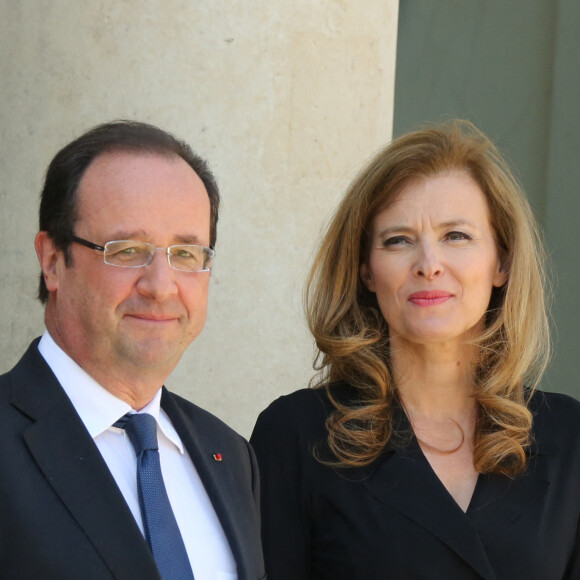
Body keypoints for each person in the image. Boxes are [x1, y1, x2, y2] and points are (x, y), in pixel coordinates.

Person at [251, 120, 580, 579]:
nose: (428, 265)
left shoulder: (571, 441)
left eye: (456, 236)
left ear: (501, 262)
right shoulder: (296, 436)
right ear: (367, 270)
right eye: (398, 240)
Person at [0, 121, 265, 580]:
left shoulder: (230, 455)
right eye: (127, 251)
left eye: (185, 254)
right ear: (52, 261)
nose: (161, 287)